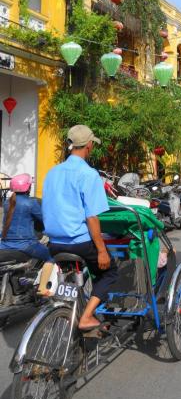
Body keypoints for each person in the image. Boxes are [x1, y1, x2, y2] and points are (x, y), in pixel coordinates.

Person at [42, 125, 118, 334]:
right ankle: (86, 316)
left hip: (55, 244)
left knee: (86, 270)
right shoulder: (88, 173)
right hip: (80, 242)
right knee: (109, 270)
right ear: (89, 145)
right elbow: (92, 217)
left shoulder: (52, 172)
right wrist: (102, 250)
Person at [0, 174, 51, 261]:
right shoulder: (31, 203)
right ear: (29, 187)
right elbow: (46, 221)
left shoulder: (6, 203)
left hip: (4, 244)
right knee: (52, 258)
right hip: (26, 245)